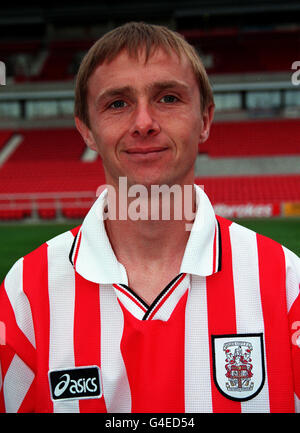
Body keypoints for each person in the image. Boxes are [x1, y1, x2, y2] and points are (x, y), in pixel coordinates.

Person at [0, 21, 299, 414]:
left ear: (206, 120)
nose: (144, 123)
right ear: (87, 131)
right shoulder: (25, 294)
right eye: (117, 103)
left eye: (169, 98)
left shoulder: (286, 283)